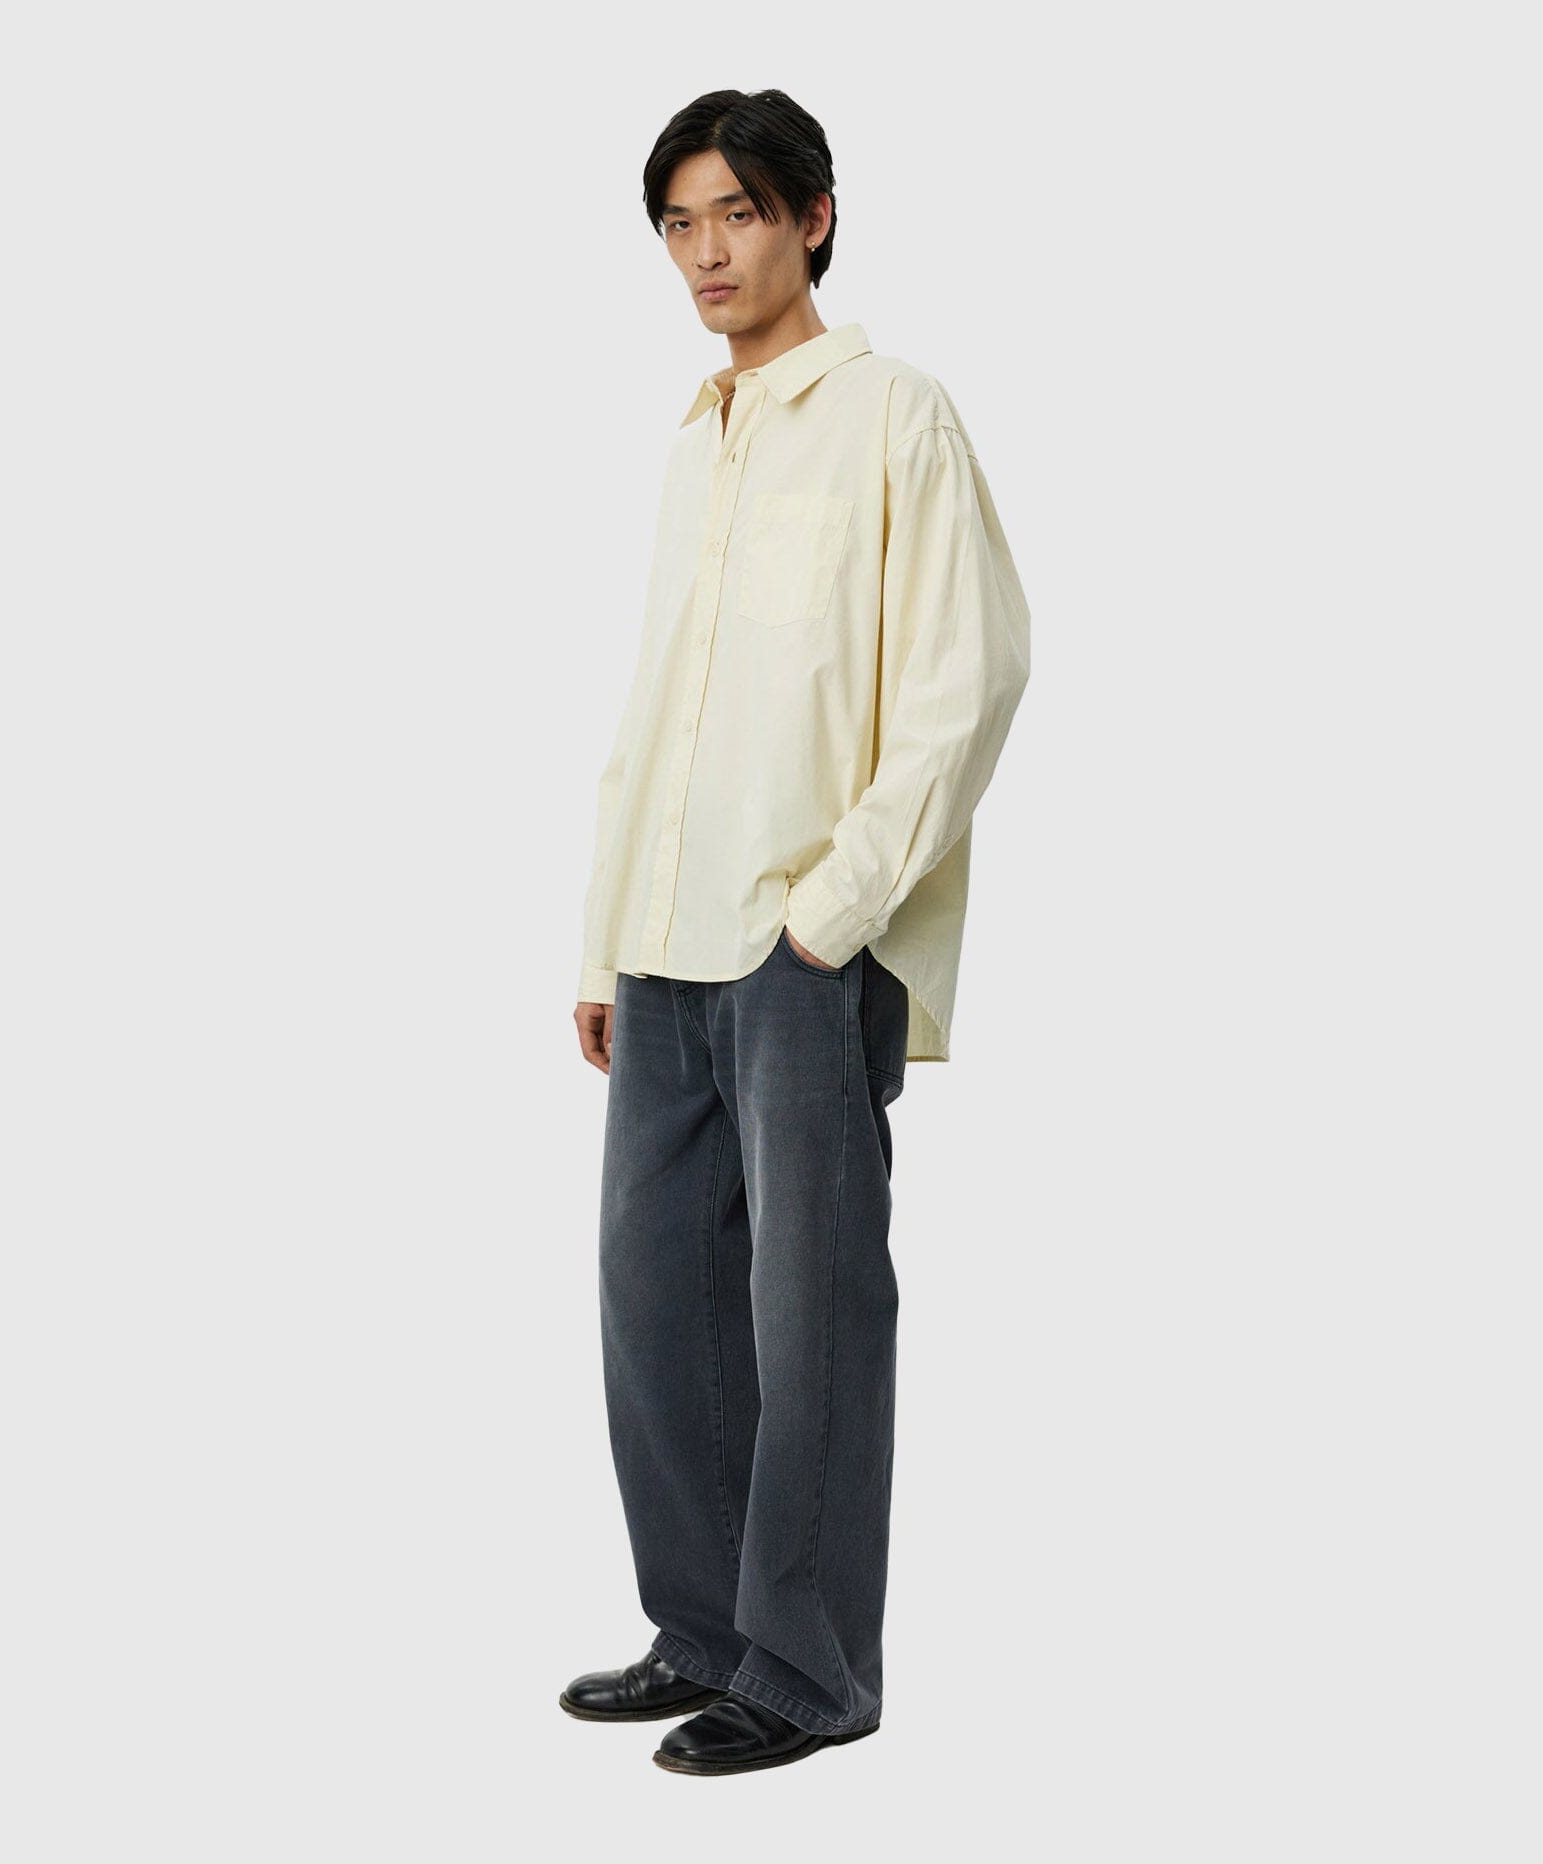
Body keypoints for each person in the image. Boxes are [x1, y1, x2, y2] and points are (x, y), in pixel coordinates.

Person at [563, 87, 1032, 1777]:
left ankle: (812, 1672)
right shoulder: (697, 438)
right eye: (679, 223)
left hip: (802, 946)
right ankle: (703, 1635)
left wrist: (836, 912)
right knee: (657, 1300)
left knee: (810, 1312)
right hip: (666, 945)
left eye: (738, 214)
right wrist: (604, 940)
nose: (706, 252)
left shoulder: (895, 415)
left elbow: (970, 675)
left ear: (812, 218)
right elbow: (658, 713)